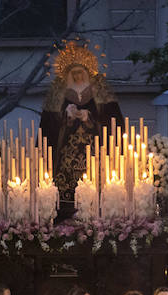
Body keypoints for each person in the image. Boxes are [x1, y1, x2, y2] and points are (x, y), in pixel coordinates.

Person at [41, 41, 123, 216]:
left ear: (87, 72)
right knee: (65, 192)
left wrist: (90, 117)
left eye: (81, 72)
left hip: (94, 151)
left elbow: (114, 122)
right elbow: (47, 126)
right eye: (74, 73)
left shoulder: (100, 89)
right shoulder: (58, 90)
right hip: (65, 156)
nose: (78, 76)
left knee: (96, 183)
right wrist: (65, 115)